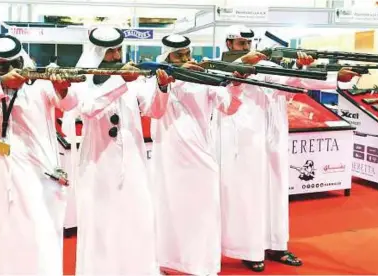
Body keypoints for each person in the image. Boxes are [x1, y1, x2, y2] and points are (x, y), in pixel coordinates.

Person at [217, 25, 359, 272]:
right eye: (241, 44)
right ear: (229, 44)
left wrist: (333, 76)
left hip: (274, 135)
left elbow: (294, 79)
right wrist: (242, 68)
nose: (247, 47)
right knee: (247, 195)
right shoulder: (218, 67)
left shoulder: (266, 65)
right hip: (242, 138)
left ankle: (276, 245)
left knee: (276, 190)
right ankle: (249, 249)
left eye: (249, 43)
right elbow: (223, 91)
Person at [0, 33, 77, 275]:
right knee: (2, 235)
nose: (11, 70)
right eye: (3, 66)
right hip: (0, 176)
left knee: (38, 234)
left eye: (15, 64)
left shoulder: (40, 85)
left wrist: (62, 89)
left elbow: (69, 104)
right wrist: (0, 85)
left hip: (37, 176)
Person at [62, 27, 173, 275]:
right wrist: (121, 80)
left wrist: (162, 88)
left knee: (136, 217)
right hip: (98, 164)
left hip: (132, 162)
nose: (115, 55)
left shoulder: (133, 80)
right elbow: (89, 109)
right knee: (102, 222)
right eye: (109, 51)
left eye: (117, 50)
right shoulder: (84, 80)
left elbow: (154, 110)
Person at [151, 34, 244, 275]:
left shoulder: (204, 80)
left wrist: (236, 84)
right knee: (168, 208)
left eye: (187, 55)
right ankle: (168, 262)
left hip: (201, 156)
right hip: (169, 156)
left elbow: (229, 108)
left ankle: (200, 265)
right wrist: (165, 83)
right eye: (179, 56)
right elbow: (156, 111)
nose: (185, 59)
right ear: (167, 57)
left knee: (202, 212)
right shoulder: (156, 80)